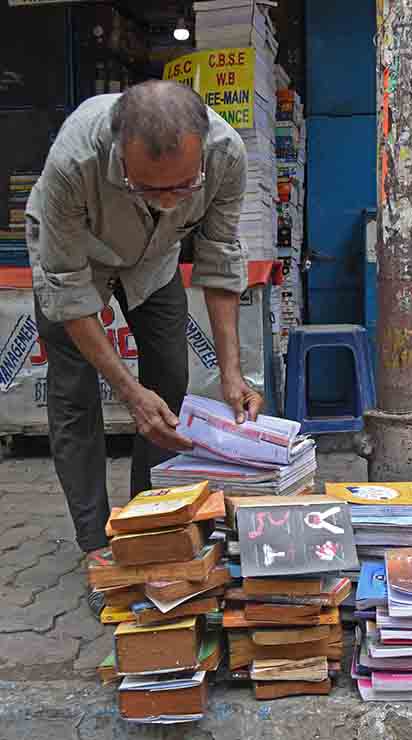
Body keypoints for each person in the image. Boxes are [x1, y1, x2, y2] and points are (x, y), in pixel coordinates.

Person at [25, 80, 264, 615]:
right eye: (147, 189)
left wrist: (232, 375)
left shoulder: (225, 154)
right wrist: (128, 392)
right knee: (73, 398)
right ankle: (96, 543)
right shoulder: (73, 162)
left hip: (155, 262)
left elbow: (221, 258)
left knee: (170, 385)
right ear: (118, 154)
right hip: (75, 258)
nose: (166, 200)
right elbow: (67, 292)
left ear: (200, 151)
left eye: (181, 188)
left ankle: (148, 525)